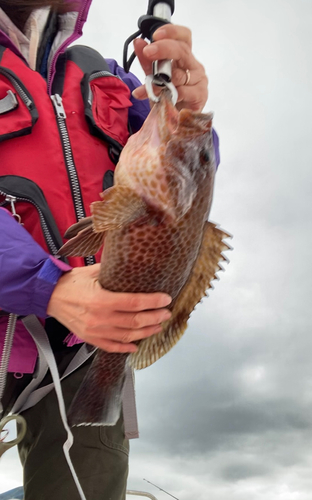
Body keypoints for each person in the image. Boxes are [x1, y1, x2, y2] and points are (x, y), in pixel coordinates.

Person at [0, 0, 218, 498]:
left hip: (84, 357)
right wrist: (46, 286)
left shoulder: (108, 79)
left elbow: (184, 184)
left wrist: (184, 108)